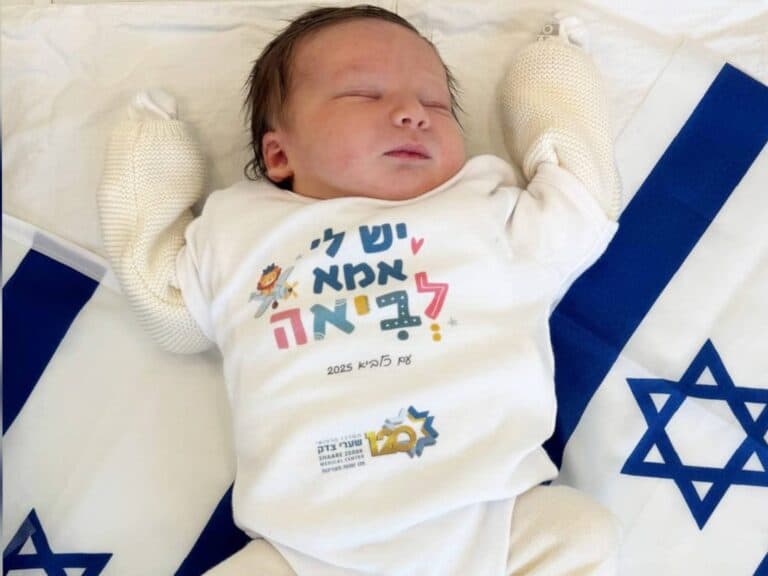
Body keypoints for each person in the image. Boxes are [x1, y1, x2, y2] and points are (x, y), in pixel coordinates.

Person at [98, 5, 622, 575]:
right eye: (364, 96)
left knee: (581, 534)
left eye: (435, 103)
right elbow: (164, 301)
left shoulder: (481, 210)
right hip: (304, 550)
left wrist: (551, 74)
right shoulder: (240, 233)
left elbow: (581, 205)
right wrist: (150, 161)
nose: (410, 114)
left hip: (489, 517)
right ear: (279, 154)